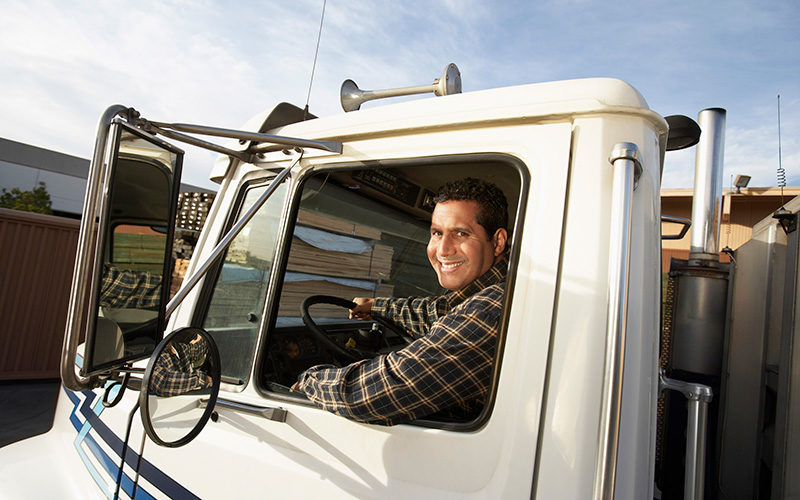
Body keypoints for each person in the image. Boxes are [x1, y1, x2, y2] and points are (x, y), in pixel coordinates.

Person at [294, 177, 509, 425]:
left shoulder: (493, 308)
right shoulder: (484, 296)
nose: (442, 250)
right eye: (437, 233)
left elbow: (378, 393)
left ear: (498, 242)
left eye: (460, 233)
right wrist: (375, 306)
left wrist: (309, 380)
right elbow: (436, 312)